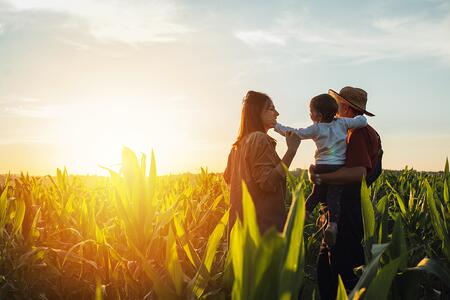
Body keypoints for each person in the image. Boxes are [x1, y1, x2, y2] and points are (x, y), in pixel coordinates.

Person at [309, 86, 383, 300]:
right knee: (329, 270)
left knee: (339, 275)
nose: (335, 109)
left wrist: (322, 179)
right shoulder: (361, 132)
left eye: (337, 104)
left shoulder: (358, 133)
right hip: (344, 211)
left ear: (345, 107)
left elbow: (358, 173)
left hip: (347, 214)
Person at [274, 93, 368, 246]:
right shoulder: (343, 123)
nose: (309, 113)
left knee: (316, 192)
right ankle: (332, 225)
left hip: (321, 167)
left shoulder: (316, 129)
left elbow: (294, 132)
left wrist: (276, 126)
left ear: (318, 115)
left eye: (310, 111)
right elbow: (362, 121)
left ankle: (305, 212)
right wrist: (360, 118)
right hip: (337, 167)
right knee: (334, 197)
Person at [224, 90, 301, 235]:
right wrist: (292, 150)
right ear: (257, 112)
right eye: (271, 109)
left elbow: (228, 178)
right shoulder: (260, 139)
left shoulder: (237, 146)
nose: (277, 113)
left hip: (240, 231)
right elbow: (268, 181)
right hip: (261, 231)